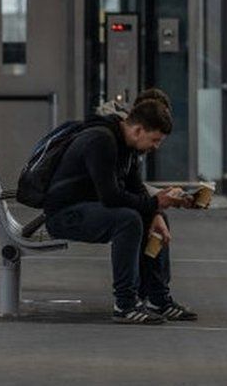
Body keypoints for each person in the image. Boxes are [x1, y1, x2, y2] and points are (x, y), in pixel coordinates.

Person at [44, 99, 198, 324]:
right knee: (128, 220)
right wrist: (155, 204)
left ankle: (158, 298)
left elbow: (136, 190)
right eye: (155, 140)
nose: (156, 147)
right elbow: (111, 196)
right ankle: (125, 304)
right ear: (138, 130)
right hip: (64, 214)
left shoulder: (129, 147)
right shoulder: (101, 141)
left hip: (89, 209)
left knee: (153, 218)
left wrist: (155, 213)